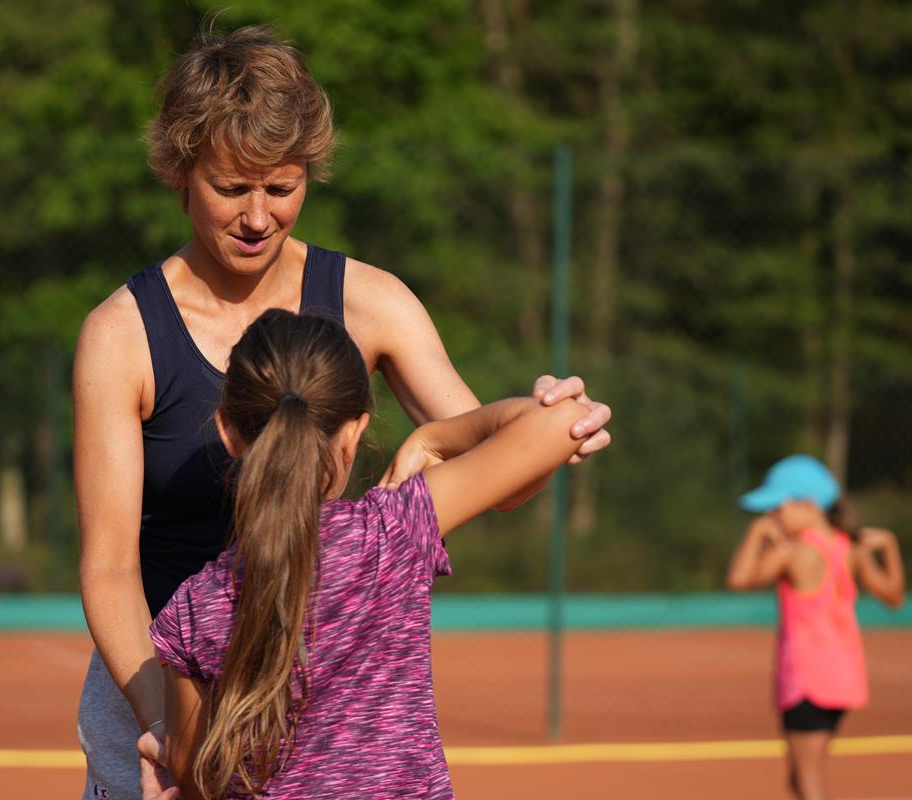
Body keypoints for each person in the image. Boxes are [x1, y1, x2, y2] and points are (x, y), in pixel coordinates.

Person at [72, 25, 612, 799]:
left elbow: (506, 475)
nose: (258, 216)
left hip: (319, 699)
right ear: (179, 174)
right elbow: (110, 566)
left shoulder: (372, 302)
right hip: (162, 683)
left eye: (281, 186)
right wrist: (173, 729)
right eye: (231, 188)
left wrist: (526, 418)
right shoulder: (121, 336)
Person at [146, 309, 602, 799]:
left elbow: (195, 778)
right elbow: (562, 419)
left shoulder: (193, 608)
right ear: (353, 434)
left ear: (228, 431)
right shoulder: (392, 534)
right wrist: (430, 437)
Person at [725, 454, 905, 800]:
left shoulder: (795, 551)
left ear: (807, 505)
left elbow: (739, 579)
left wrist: (756, 534)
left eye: (777, 508)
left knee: (808, 780)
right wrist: (891, 547)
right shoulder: (849, 548)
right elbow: (894, 595)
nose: (771, 516)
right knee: (802, 776)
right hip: (843, 679)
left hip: (806, 682)